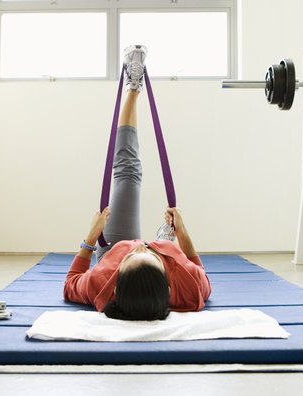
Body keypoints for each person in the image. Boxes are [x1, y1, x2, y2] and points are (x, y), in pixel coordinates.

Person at [63, 45, 211, 321]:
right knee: (163, 239)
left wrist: (91, 238)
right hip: (168, 255)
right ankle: (165, 237)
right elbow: (196, 267)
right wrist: (182, 232)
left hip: (113, 248)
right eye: (149, 255)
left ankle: (133, 86)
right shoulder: (190, 289)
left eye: (133, 255)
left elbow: (71, 282)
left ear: (116, 281)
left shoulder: (103, 282)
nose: (141, 246)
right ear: (168, 285)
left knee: (128, 172)